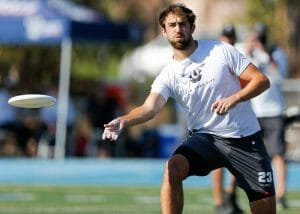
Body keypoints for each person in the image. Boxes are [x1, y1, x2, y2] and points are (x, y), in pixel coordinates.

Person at [102, 4, 275, 214]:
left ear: (192, 27)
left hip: (245, 140)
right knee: (173, 167)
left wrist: (235, 98)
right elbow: (150, 107)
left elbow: (261, 80)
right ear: (164, 31)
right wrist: (123, 120)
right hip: (207, 139)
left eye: (183, 24)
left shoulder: (221, 51)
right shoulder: (168, 74)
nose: (178, 29)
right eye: (172, 25)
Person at [242, 22, 289, 210]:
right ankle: (238, 192)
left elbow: (279, 77)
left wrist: (264, 54)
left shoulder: (276, 53)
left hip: (273, 110)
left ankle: (282, 194)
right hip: (252, 110)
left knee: (278, 154)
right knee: (244, 153)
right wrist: (248, 50)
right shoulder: (247, 53)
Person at [211, 24, 243, 214]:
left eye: (231, 37)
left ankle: (230, 194)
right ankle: (218, 201)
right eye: (225, 37)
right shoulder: (213, 55)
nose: (228, 40)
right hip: (217, 116)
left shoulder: (239, 56)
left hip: (237, 115)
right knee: (218, 159)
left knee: (238, 159)